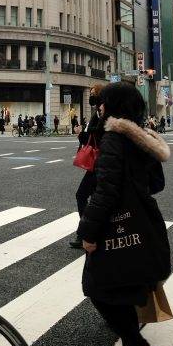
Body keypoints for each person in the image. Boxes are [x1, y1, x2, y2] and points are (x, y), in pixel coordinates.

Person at [78, 82, 173, 346]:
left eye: (104, 103)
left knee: (98, 288)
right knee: (124, 294)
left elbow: (105, 190)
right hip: (145, 227)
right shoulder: (141, 137)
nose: (100, 108)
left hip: (117, 230)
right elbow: (156, 183)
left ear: (113, 105)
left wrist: (88, 233)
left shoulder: (113, 138)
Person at [71, 83, 106, 248]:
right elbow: (92, 136)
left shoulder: (103, 111)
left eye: (93, 93)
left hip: (101, 162)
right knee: (92, 198)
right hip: (102, 161)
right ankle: (86, 233)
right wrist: (84, 133)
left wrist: (84, 132)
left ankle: (87, 233)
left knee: (82, 196)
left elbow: (98, 133)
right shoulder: (98, 110)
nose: (91, 95)